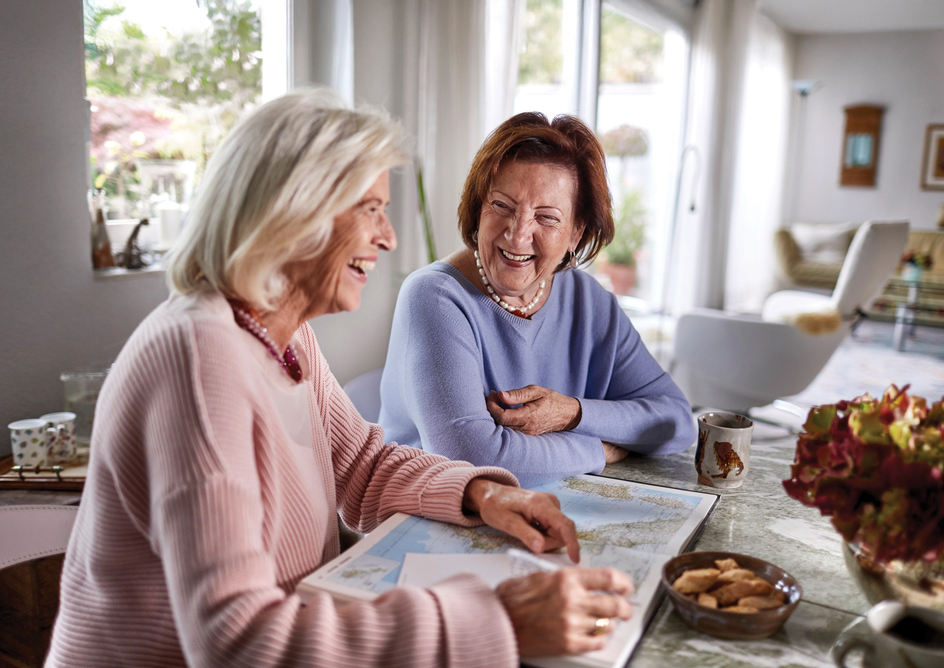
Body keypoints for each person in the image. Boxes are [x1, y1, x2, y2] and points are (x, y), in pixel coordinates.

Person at [46, 91, 633, 668]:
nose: (388, 236)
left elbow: (361, 467)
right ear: (291, 213)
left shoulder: (281, 332)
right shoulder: (200, 357)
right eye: (369, 209)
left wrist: (484, 492)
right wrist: (497, 621)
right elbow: (237, 641)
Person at [379, 112, 696, 488]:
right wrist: (601, 448)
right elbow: (474, 459)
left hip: (538, 511)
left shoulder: (589, 301)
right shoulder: (434, 297)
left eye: (546, 218)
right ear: (479, 207)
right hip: (424, 522)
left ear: (576, 233)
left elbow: (675, 422)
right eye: (502, 206)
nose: (517, 235)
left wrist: (572, 414)